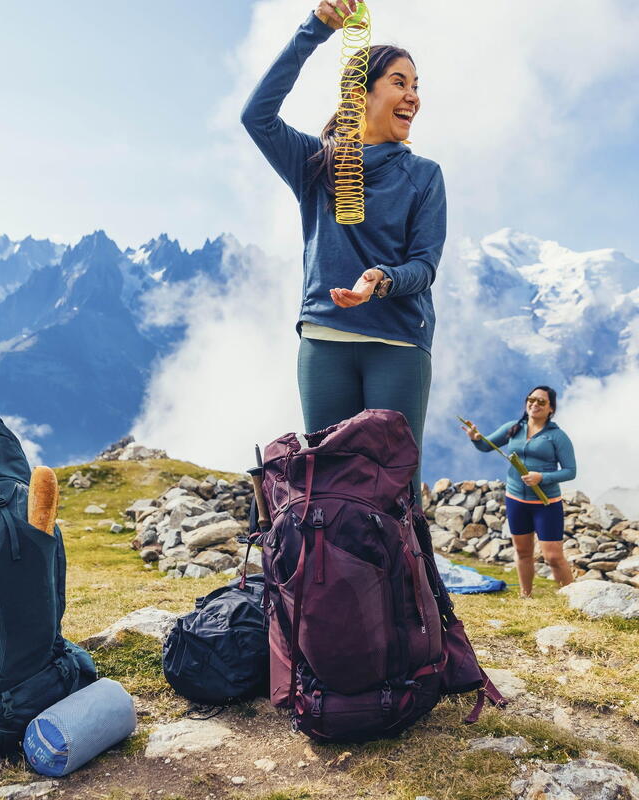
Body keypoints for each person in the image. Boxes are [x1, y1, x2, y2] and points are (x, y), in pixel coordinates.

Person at [241, 0, 446, 501]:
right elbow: (257, 116)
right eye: (400, 82)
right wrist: (315, 30)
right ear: (362, 91)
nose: (413, 96)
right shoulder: (316, 164)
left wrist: (383, 279)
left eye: (416, 86)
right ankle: (328, 582)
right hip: (325, 339)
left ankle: (405, 583)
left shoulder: (423, 175)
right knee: (327, 486)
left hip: (397, 344)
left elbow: (425, 265)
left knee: (395, 490)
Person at [463, 386, 576, 597]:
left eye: (541, 402)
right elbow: (486, 446)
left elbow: (571, 471)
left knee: (553, 556)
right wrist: (475, 437)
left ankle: (572, 598)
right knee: (523, 552)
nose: (535, 404)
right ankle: (526, 596)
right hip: (516, 500)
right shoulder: (514, 427)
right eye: (531, 399)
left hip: (546, 503)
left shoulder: (557, 436)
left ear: (551, 408)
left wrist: (542, 477)